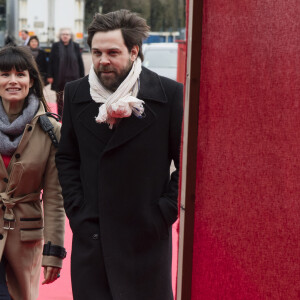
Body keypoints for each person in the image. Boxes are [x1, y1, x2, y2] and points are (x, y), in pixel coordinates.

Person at [56, 9, 183, 300]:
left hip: (146, 239)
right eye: (97, 52)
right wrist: (78, 211)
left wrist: (164, 212)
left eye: (113, 52)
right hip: (93, 237)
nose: (103, 60)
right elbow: (67, 158)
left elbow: (187, 165)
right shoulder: (76, 94)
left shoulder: (168, 94)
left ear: (133, 51)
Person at [0, 45, 66, 300]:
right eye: (5, 74)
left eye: (20, 74)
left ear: (31, 80)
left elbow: (54, 197)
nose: (13, 81)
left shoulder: (50, 129)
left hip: (25, 237)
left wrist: (55, 250)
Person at [47, 28, 84, 117]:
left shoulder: (75, 46)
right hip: (59, 76)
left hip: (73, 77)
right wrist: (50, 75)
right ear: (60, 36)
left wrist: (82, 76)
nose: (65, 36)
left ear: (70, 36)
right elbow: (51, 61)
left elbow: (80, 62)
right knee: (59, 97)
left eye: (67, 34)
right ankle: (60, 115)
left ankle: (71, 115)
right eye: (63, 34)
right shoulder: (56, 46)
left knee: (72, 96)